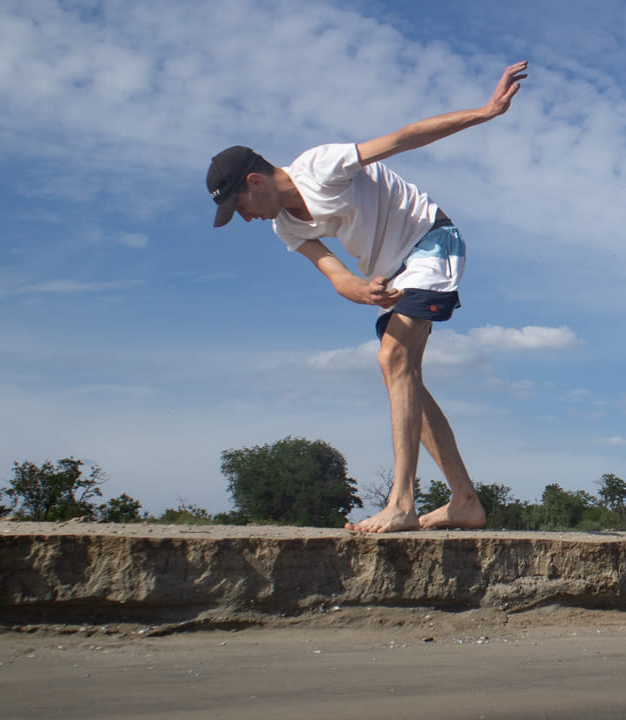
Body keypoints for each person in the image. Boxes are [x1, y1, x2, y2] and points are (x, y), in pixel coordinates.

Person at [206, 61, 529, 533]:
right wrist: (359, 289)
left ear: (253, 182)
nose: (245, 218)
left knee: (393, 359)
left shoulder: (319, 166)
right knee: (403, 379)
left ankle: (402, 502)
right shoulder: (285, 226)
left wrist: (485, 112)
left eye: (239, 208)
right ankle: (464, 501)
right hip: (393, 272)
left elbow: (404, 137)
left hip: (430, 240)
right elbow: (335, 274)